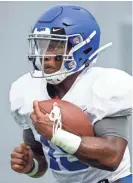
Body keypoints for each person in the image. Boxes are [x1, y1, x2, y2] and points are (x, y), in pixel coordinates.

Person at [9, 4, 132, 183]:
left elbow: (111, 157)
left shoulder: (101, 88)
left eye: (55, 46)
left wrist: (57, 135)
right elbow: (41, 156)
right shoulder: (28, 92)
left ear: (82, 47)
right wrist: (31, 166)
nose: (44, 56)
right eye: (42, 46)